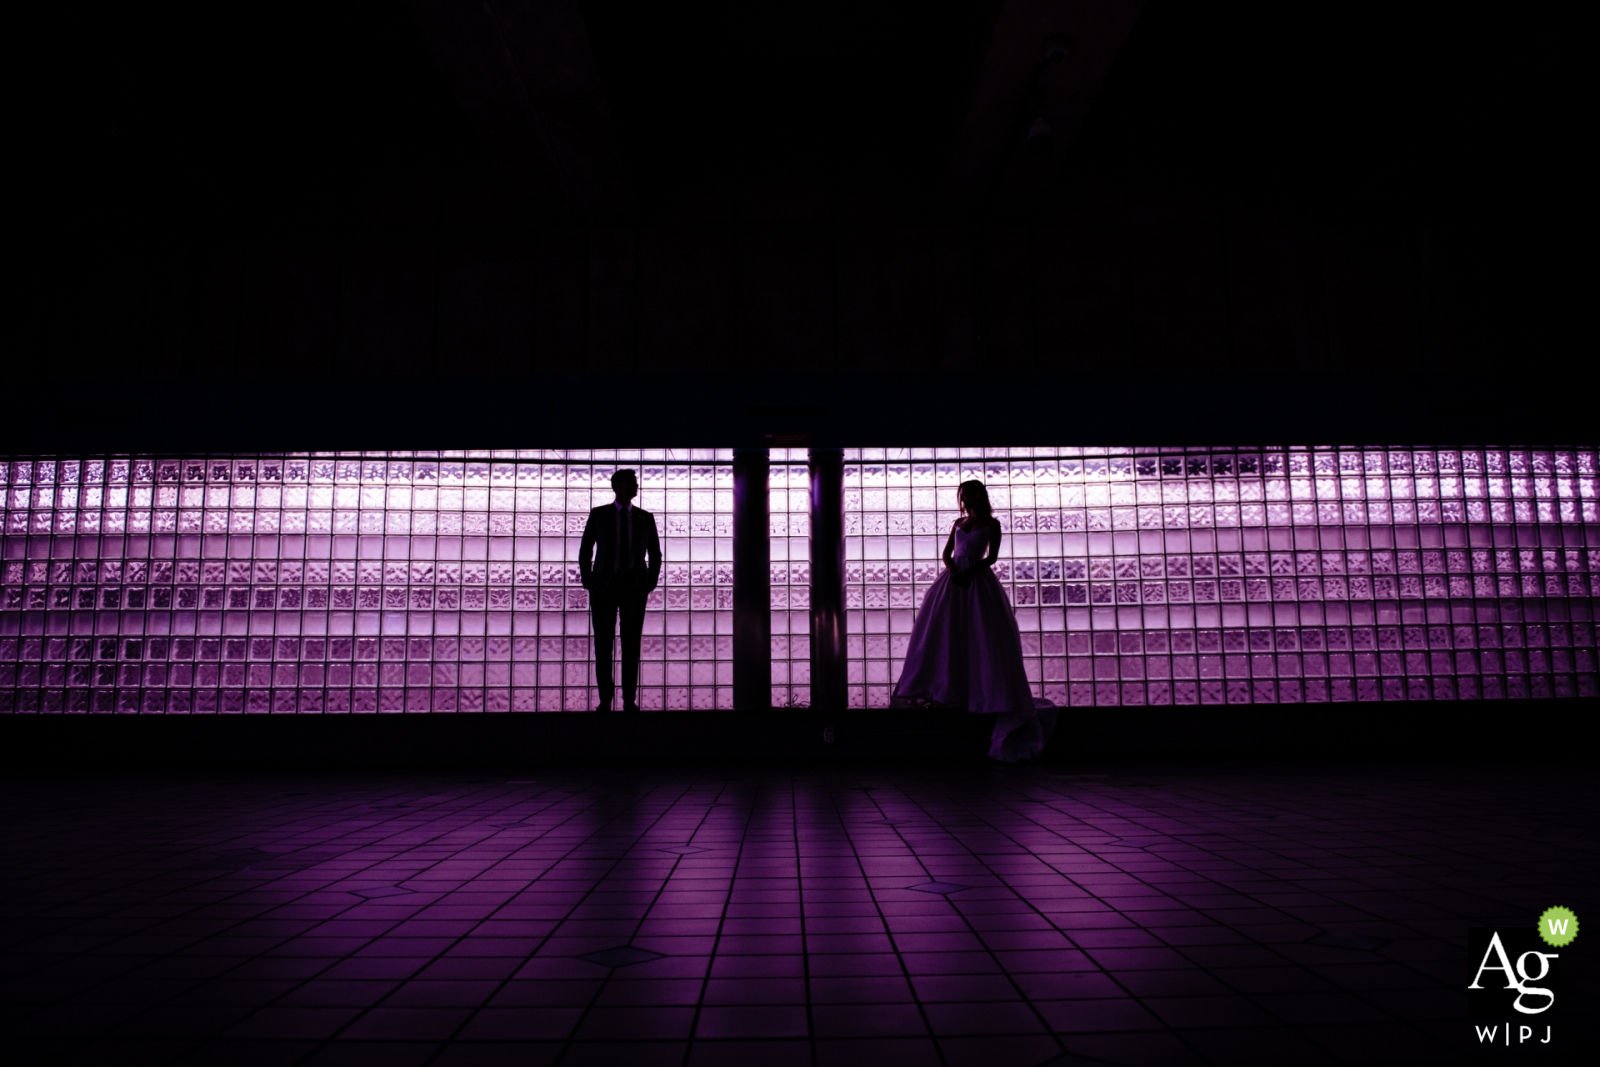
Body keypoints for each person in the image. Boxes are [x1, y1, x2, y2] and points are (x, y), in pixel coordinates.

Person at [894, 480, 1058, 761]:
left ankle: (985, 694)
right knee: (945, 634)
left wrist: (967, 573)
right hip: (954, 580)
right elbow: (947, 552)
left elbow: (992, 557)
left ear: (979, 495)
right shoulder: (959, 522)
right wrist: (953, 569)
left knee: (983, 637)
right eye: (963, 494)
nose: (965, 497)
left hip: (976, 583)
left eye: (969, 493)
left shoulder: (992, 525)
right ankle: (945, 690)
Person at [578, 469, 662, 712]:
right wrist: (588, 580)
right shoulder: (599, 514)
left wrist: (650, 582)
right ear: (618, 487)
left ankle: (628, 697)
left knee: (630, 643)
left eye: (635, 484)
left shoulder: (645, 517)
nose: (636, 487)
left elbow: (655, 553)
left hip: (634, 586)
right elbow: (586, 549)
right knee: (604, 643)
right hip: (605, 585)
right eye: (632, 483)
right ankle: (606, 697)